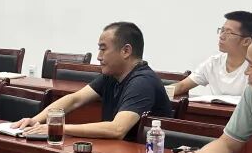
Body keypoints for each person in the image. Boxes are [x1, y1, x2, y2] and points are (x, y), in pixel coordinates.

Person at [13, 21, 174, 141]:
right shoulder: (112, 76)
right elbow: (74, 100)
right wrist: (35, 120)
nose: (98, 56)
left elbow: (117, 129)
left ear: (126, 51)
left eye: (103, 49)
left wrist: (58, 128)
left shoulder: (143, 82)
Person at [170, 11, 252, 99]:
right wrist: (161, 93)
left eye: (228, 32)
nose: (221, 36)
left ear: (246, 41)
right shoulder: (213, 63)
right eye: (222, 30)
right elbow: (182, 86)